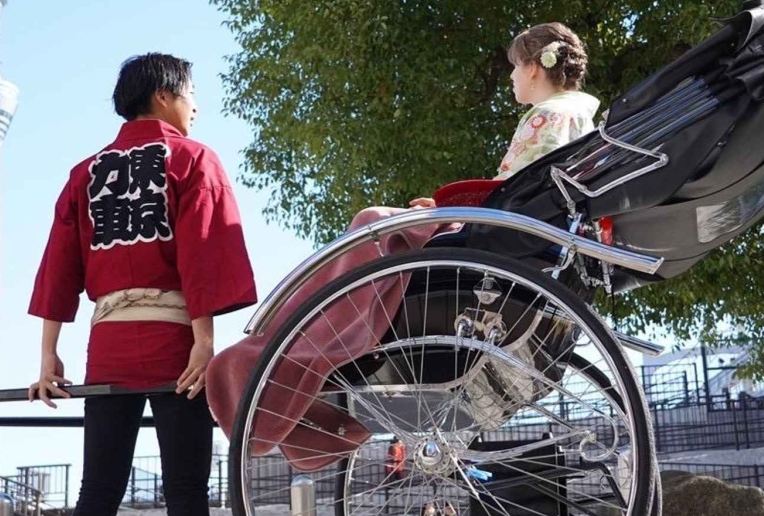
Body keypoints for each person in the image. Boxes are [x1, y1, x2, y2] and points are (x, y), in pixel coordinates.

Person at [206, 24, 595, 471]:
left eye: (515, 68)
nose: (510, 78)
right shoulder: (581, 117)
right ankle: (308, 336)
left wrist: (450, 210)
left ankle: (294, 341)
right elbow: (515, 194)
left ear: (534, 69)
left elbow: (509, 196)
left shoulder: (547, 117)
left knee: (372, 222)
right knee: (382, 224)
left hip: (498, 241)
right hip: (515, 239)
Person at [27, 53, 257, 516]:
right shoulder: (191, 159)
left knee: (96, 496)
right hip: (175, 344)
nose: (196, 106)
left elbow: (58, 265)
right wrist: (204, 341)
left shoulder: (85, 173)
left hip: (107, 345)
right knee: (186, 494)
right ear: (163, 95)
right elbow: (203, 250)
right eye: (191, 94)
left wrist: (48, 355)